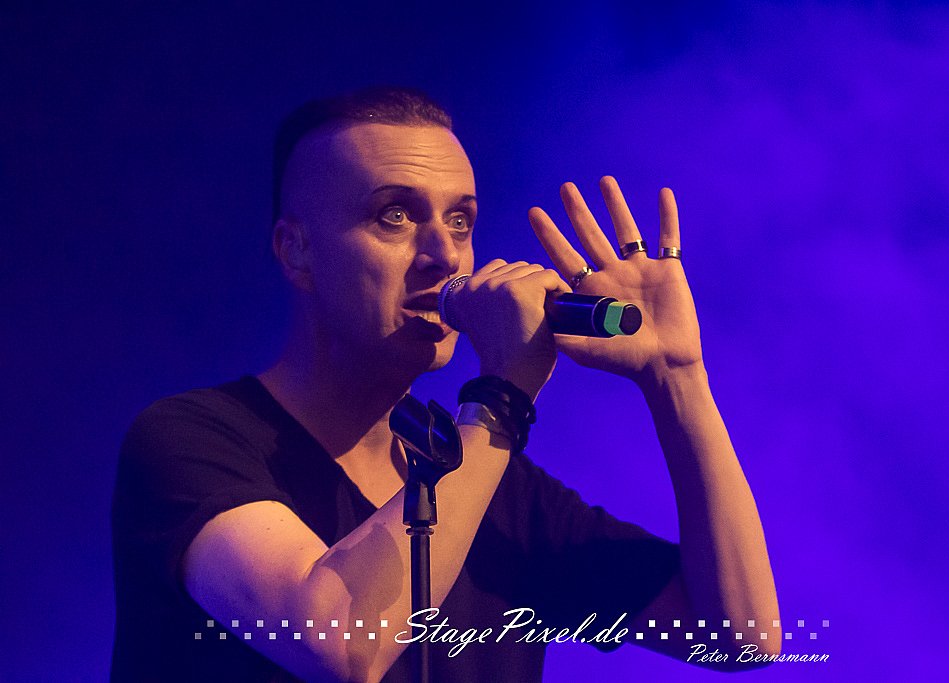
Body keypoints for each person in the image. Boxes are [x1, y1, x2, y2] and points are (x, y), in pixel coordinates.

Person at [111, 87, 780, 682]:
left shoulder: (497, 491)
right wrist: (504, 396)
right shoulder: (191, 441)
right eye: (395, 215)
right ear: (297, 250)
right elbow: (342, 644)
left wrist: (678, 377)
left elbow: (743, 640)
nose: (444, 254)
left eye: (460, 220)